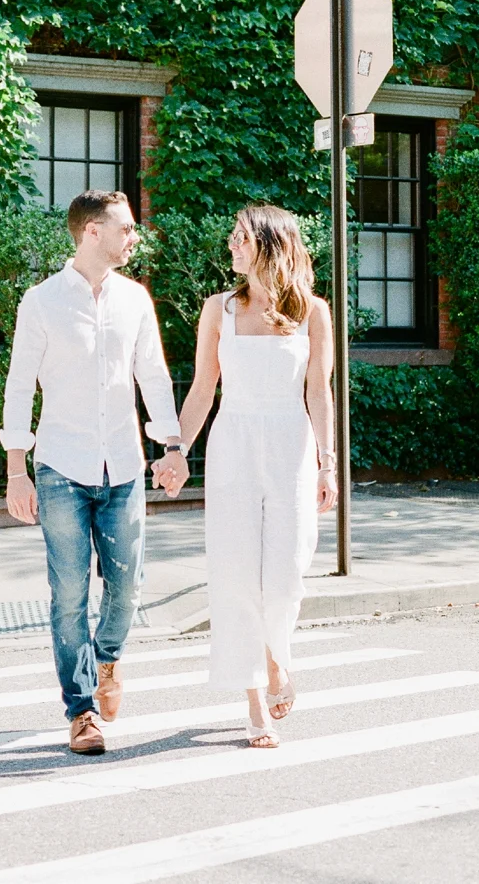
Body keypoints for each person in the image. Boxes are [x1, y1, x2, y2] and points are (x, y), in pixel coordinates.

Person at [0, 189, 181, 755]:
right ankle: (80, 712)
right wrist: (15, 469)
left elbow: (153, 375)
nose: (135, 236)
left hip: (124, 465)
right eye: (126, 228)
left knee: (127, 588)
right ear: (91, 232)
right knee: (68, 595)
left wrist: (171, 445)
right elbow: (18, 384)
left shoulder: (134, 300)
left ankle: (108, 660)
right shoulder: (42, 302)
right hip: (60, 468)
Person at [152, 204, 339, 748]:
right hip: (233, 443)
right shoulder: (219, 309)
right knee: (236, 575)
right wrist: (177, 450)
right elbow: (202, 387)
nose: (231, 246)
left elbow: (319, 392)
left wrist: (328, 463)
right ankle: (255, 697)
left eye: (239, 238)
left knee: (284, 576)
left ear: (267, 243)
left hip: (291, 445)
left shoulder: (313, 312)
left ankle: (279, 654)